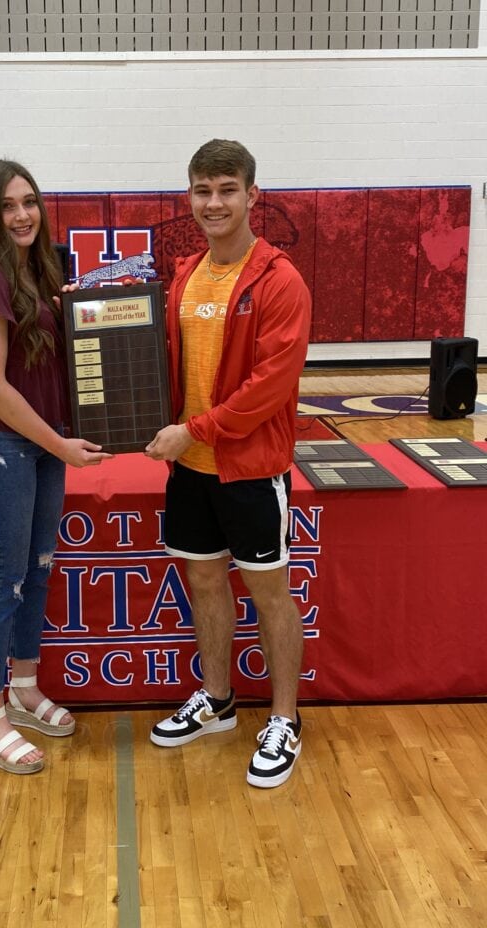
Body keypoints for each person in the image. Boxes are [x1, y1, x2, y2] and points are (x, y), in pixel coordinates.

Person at [145, 139, 312, 788]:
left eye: (226, 190)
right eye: (201, 191)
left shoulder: (279, 281)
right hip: (191, 470)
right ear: (188, 197)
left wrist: (193, 429)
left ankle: (284, 720)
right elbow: (161, 363)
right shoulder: (186, 275)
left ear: (252, 196)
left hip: (250, 469)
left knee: (270, 594)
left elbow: (270, 385)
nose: (213, 203)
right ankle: (216, 700)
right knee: (206, 584)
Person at [0, 159, 112, 775]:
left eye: (29, 202)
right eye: (8, 205)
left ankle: (21, 686)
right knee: (2, 581)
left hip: (41, 444)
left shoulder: (41, 268)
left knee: (37, 571)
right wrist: (61, 444)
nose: (22, 215)